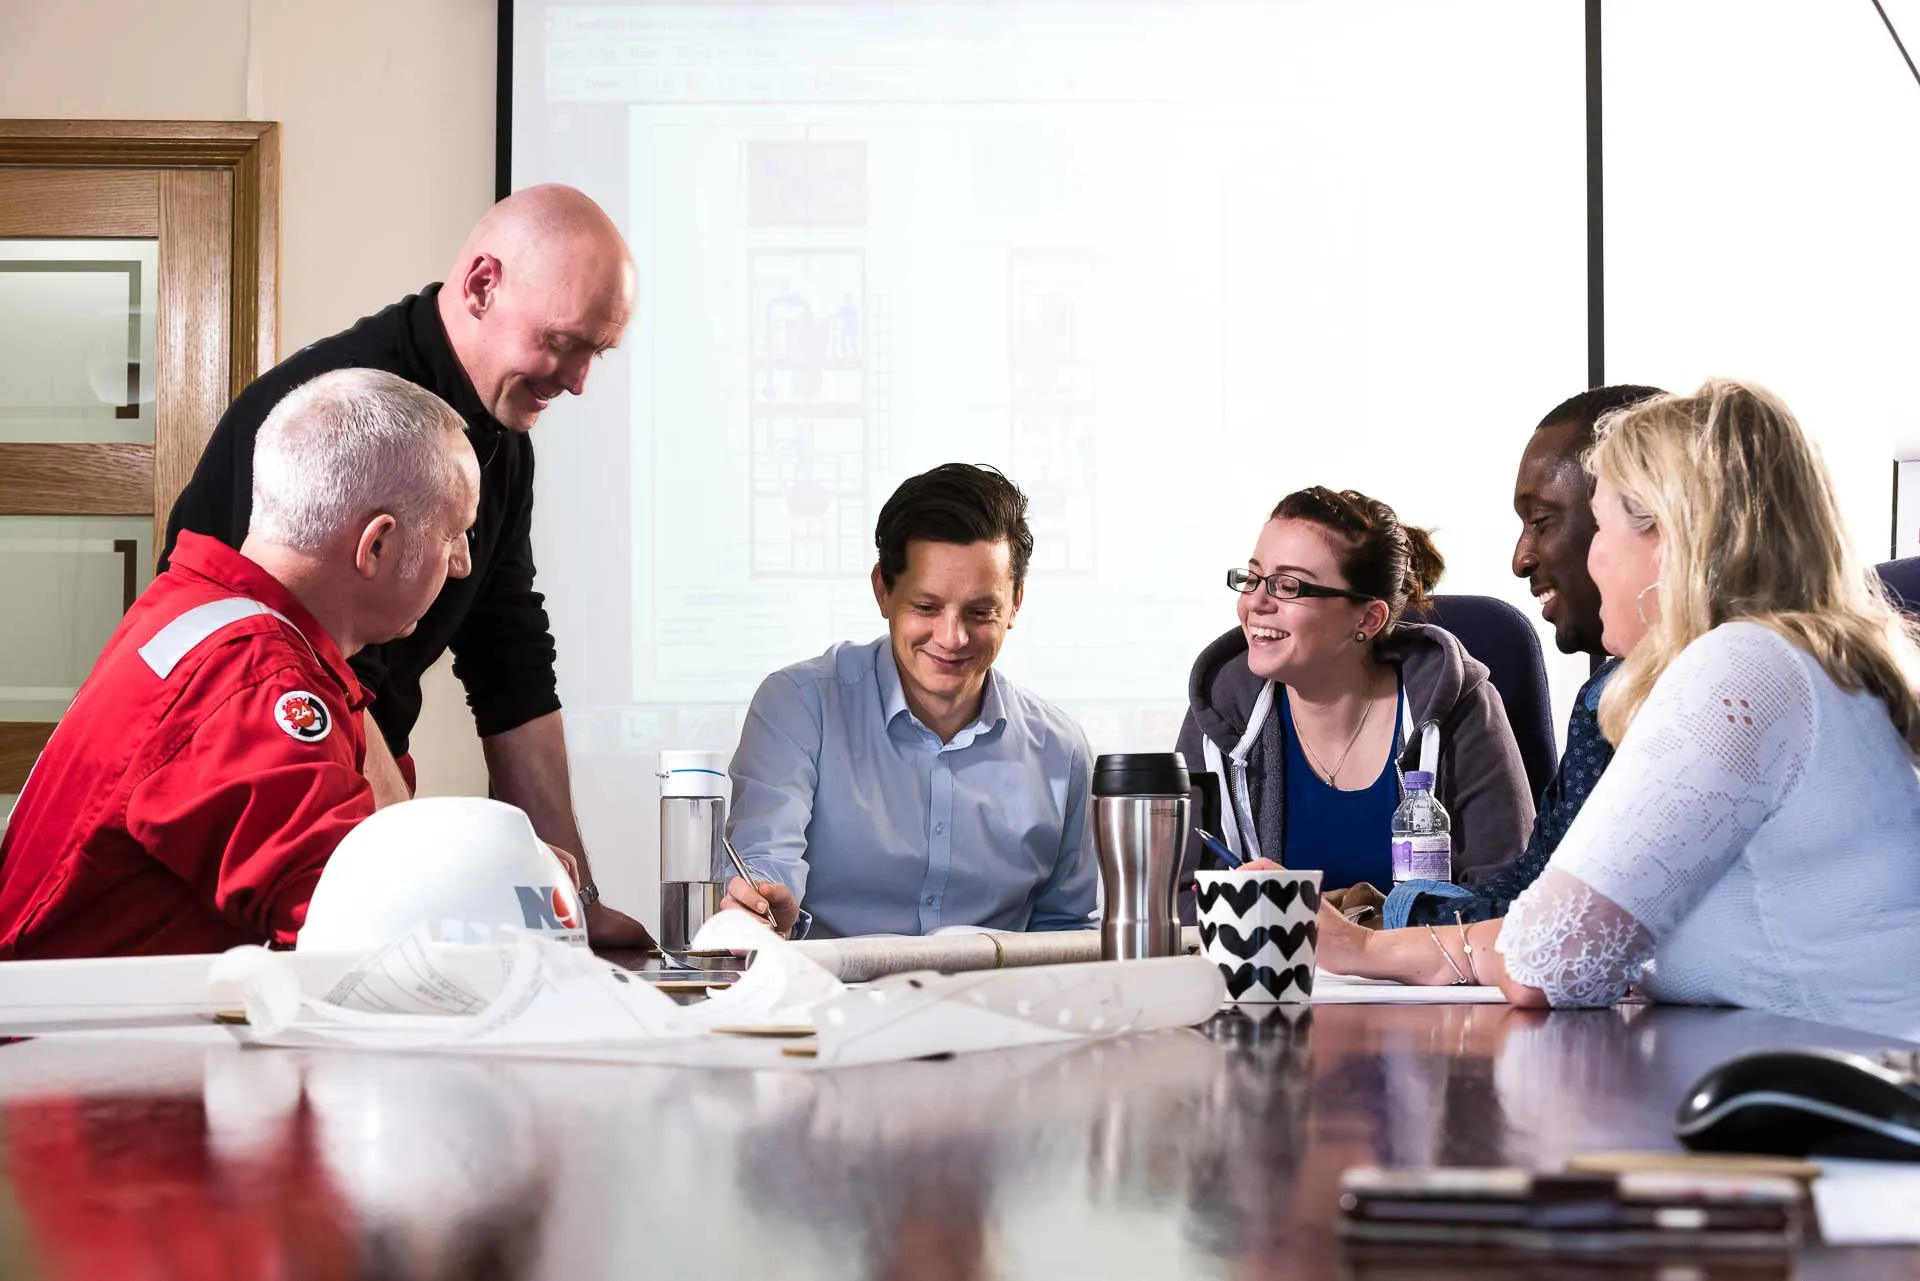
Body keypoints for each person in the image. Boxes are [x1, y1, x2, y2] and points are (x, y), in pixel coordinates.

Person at [1317, 379, 1920, 1038]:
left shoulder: (1740, 669)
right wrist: (1370, 944)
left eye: (1600, 526)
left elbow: (1548, 959)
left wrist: (1360, 948)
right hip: (1840, 1069)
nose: (1594, 557)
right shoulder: (1810, 661)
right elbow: (1569, 925)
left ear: (1667, 533)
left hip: (1850, 1090)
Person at [161, 184, 649, 946]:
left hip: (344, 781)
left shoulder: (504, 444)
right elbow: (293, 659)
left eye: (598, 351)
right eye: (563, 343)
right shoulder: (334, 412)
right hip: (254, 799)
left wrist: (574, 904)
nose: (579, 380)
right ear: (482, 285)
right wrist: (418, 886)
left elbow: (512, 664)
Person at [0, 370, 481, 957]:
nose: (462, 563)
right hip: (84, 1017)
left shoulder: (197, 609)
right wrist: (497, 882)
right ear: (375, 545)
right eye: (454, 533)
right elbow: (363, 934)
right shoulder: (255, 682)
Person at [720, 464, 1097, 939]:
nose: (953, 637)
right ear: (883, 590)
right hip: (826, 985)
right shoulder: (799, 706)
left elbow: (1066, 929)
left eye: (981, 612)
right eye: (926, 607)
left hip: (996, 988)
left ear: (1015, 604)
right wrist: (765, 908)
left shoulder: (1061, 750)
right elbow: (764, 864)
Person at [1381, 384, 1665, 929]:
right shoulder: (1609, 691)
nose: (1520, 559)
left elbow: (1567, 930)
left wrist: (1383, 929)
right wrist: (1390, 917)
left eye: (1541, 520)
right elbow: (1538, 883)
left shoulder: (1707, 693)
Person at [1176, 487, 1533, 901]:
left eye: (1287, 586)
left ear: (1368, 618)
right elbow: (1181, 897)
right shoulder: (1222, 709)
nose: (1255, 602)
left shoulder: (1458, 708)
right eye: (1252, 578)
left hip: (1432, 947)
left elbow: (1506, 897)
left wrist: (1356, 925)